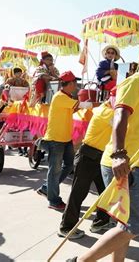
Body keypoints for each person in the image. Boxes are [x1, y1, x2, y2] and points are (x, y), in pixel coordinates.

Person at [73, 51, 139, 262]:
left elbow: (135, 122)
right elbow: (120, 115)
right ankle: (81, 261)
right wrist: (119, 154)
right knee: (135, 224)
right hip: (123, 163)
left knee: (124, 223)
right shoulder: (134, 82)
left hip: (131, 162)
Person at [58, 99, 115, 239]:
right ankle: (66, 227)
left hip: (99, 157)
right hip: (88, 157)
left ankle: (100, 222)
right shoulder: (106, 112)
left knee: (105, 192)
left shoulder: (106, 109)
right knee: (78, 194)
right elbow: (126, 124)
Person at [36, 71, 92, 211]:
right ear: (71, 83)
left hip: (65, 139)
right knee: (54, 171)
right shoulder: (60, 97)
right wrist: (101, 105)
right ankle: (53, 200)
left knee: (68, 166)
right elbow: (83, 106)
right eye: (75, 83)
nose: (76, 86)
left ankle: (47, 188)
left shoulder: (66, 97)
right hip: (56, 140)